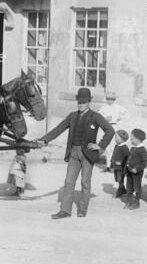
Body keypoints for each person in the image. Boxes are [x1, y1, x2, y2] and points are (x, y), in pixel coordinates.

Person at [39, 87, 114, 219]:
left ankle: (82, 209)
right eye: (79, 102)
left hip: (88, 154)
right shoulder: (72, 116)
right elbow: (59, 129)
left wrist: (100, 146)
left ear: (89, 102)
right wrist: (44, 140)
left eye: (84, 102)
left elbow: (110, 130)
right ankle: (65, 211)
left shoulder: (95, 116)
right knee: (68, 182)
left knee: (85, 182)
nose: (81, 105)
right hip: (74, 152)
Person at [99, 91, 129, 172]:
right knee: (107, 147)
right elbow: (98, 117)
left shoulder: (118, 107)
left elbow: (127, 114)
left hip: (114, 126)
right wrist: (105, 119)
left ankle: (113, 165)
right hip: (106, 127)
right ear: (106, 99)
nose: (110, 101)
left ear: (114, 99)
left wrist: (120, 117)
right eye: (108, 99)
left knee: (114, 146)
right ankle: (108, 166)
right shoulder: (103, 108)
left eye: (111, 99)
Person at [125, 128, 147, 210]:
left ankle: (137, 202)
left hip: (137, 173)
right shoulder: (133, 148)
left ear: (138, 139)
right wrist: (126, 168)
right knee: (129, 186)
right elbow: (129, 159)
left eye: (132, 138)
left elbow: (145, 163)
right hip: (129, 172)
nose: (130, 139)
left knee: (137, 187)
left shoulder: (142, 150)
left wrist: (137, 168)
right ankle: (129, 201)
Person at [111, 129, 130, 198]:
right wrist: (111, 162)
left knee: (120, 178)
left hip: (121, 168)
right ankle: (123, 189)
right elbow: (114, 154)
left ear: (122, 139)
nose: (115, 138)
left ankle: (120, 189)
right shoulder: (116, 146)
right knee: (117, 178)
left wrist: (122, 163)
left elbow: (127, 157)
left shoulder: (124, 148)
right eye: (115, 137)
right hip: (116, 166)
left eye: (116, 137)